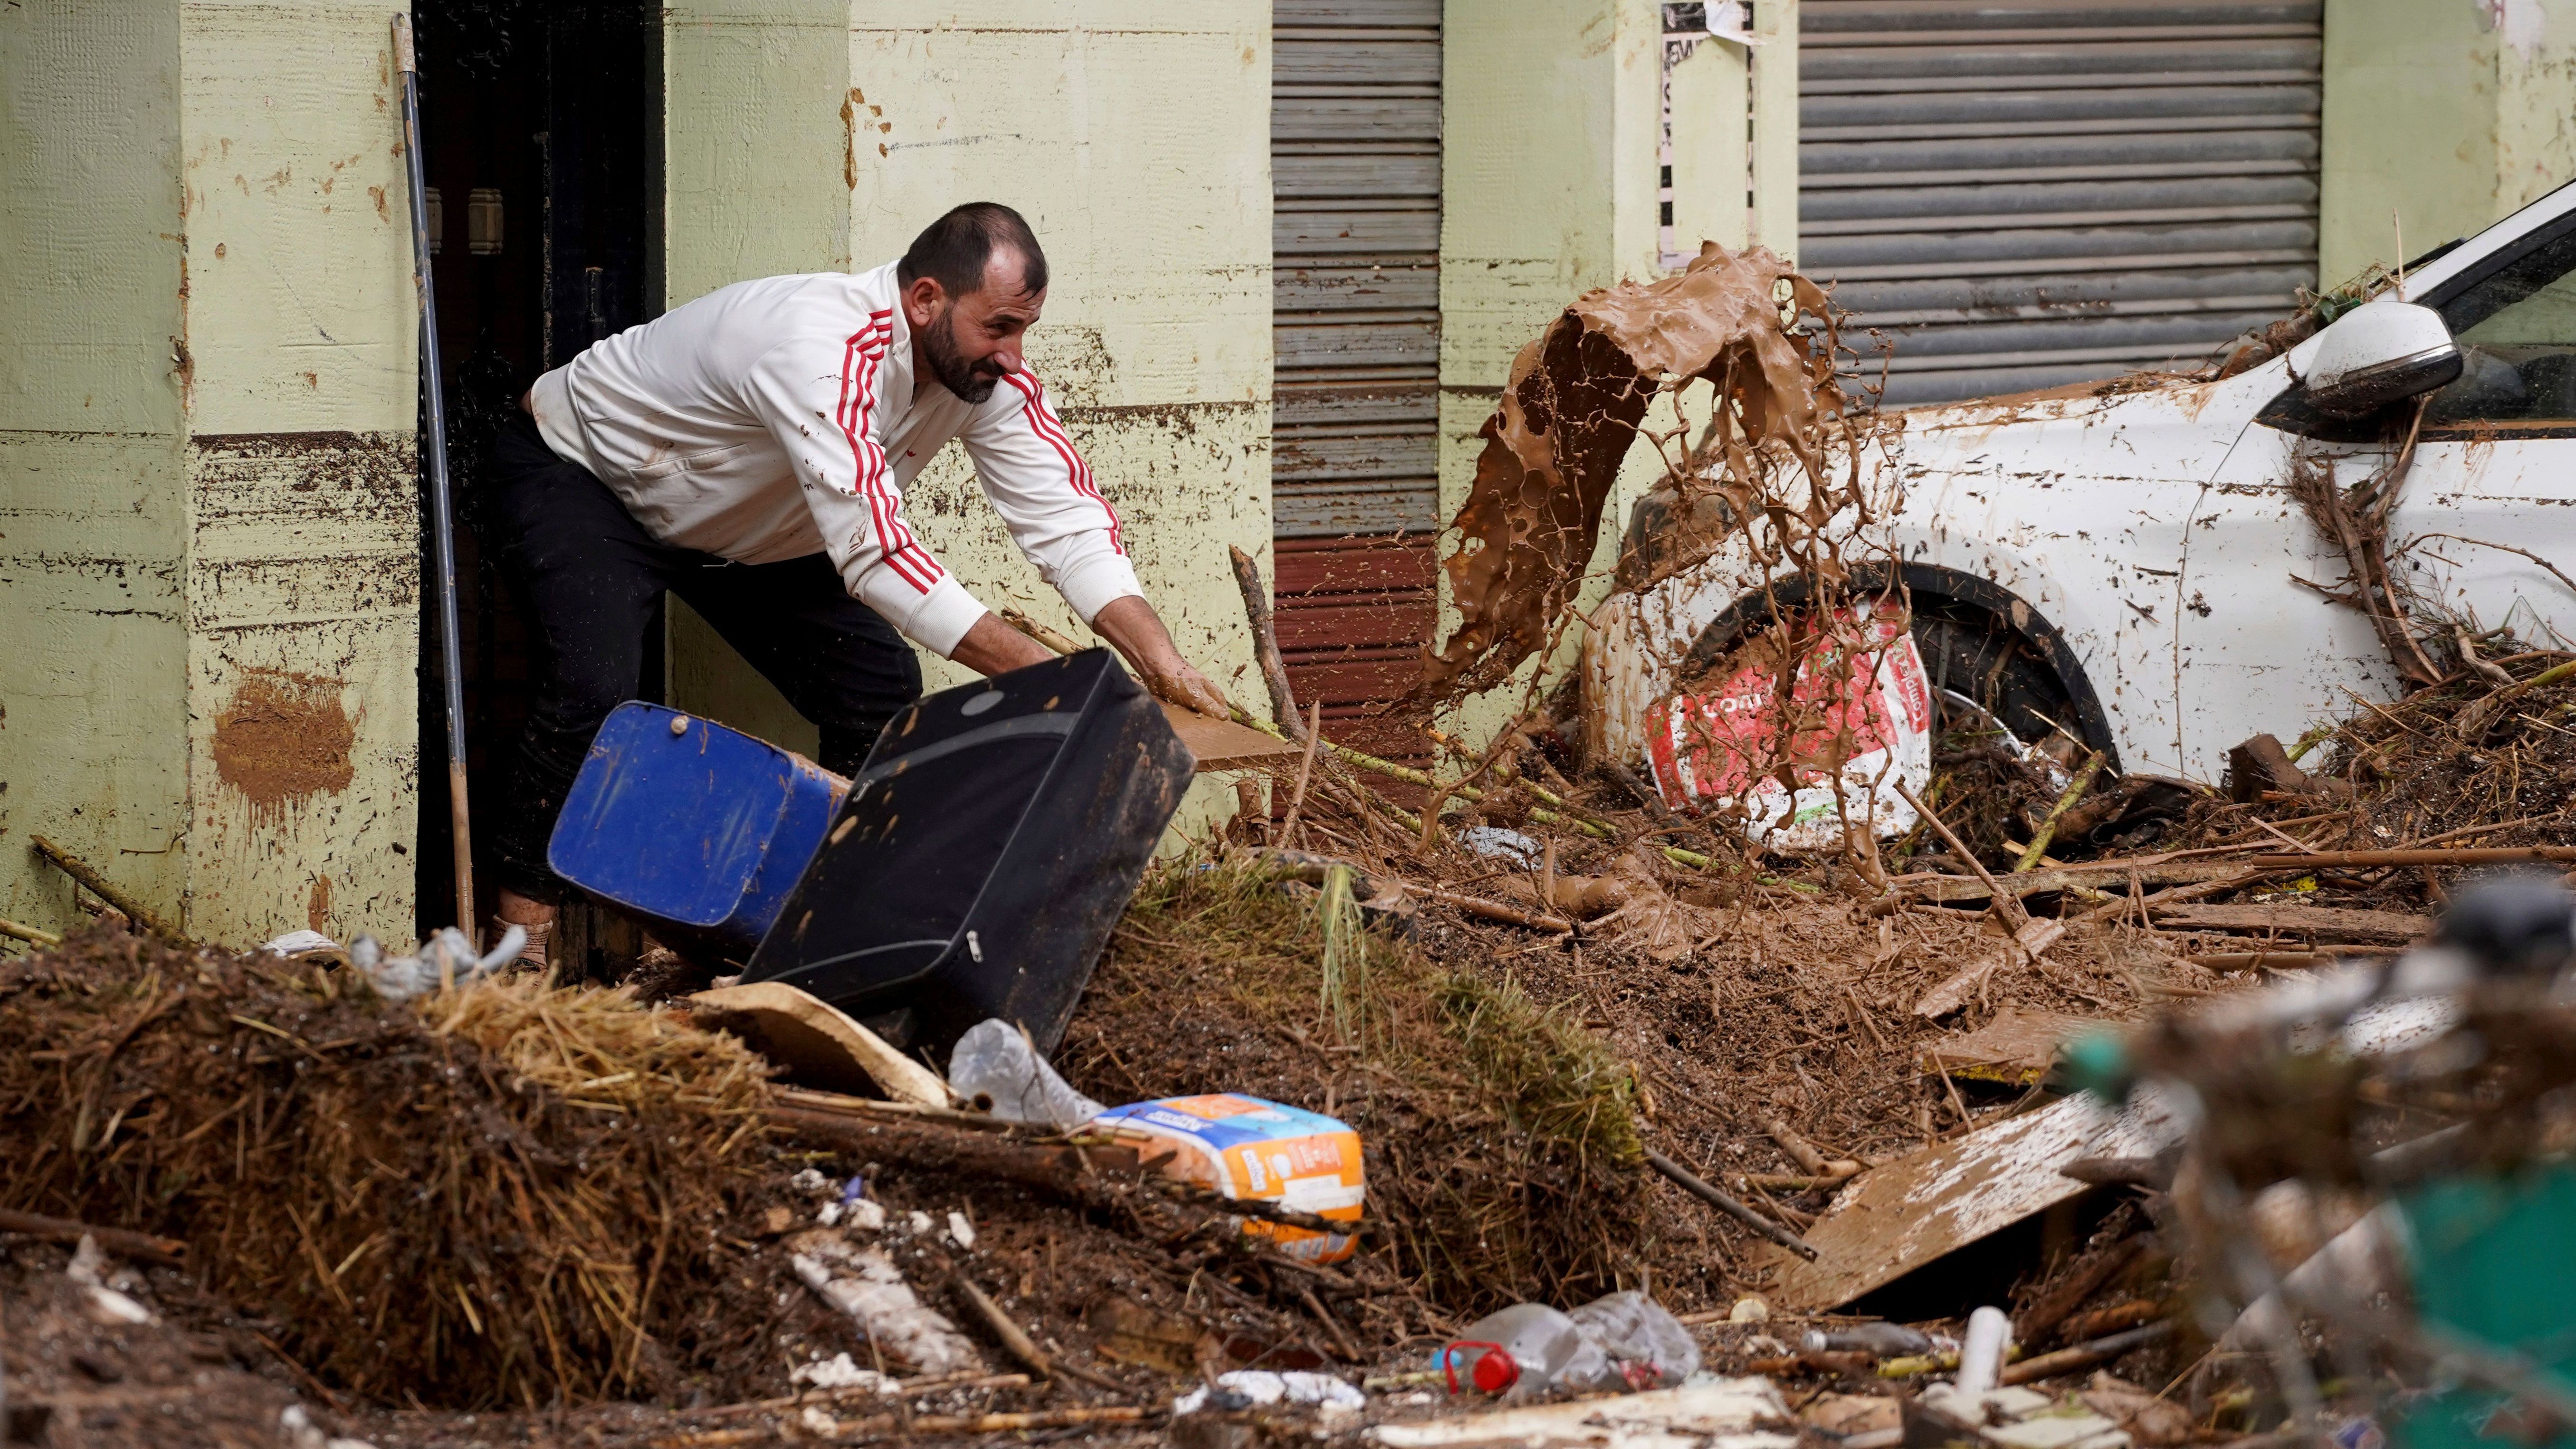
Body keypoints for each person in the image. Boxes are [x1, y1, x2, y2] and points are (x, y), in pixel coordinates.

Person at [481, 201, 1230, 964]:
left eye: (1024, 329)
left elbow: (1065, 521)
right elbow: (876, 552)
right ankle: (518, 947)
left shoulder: (987, 376)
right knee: (592, 689)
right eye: (999, 326)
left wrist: (1161, 661)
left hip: (748, 525)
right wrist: (1060, 685)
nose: (1013, 353)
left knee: (876, 692)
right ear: (926, 299)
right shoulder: (821, 344)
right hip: (585, 479)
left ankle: (819, 925)